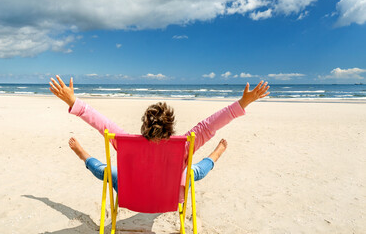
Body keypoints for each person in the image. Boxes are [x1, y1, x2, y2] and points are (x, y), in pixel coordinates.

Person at [49, 75, 270, 192]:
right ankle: (216, 154)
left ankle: (83, 155)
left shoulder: (126, 142)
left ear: (144, 126)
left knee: (105, 171)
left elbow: (101, 124)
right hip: (170, 194)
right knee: (194, 171)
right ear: (171, 128)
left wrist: (73, 102)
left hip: (133, 193)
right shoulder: (184, 145)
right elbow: (209, 126)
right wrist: (243, 102)